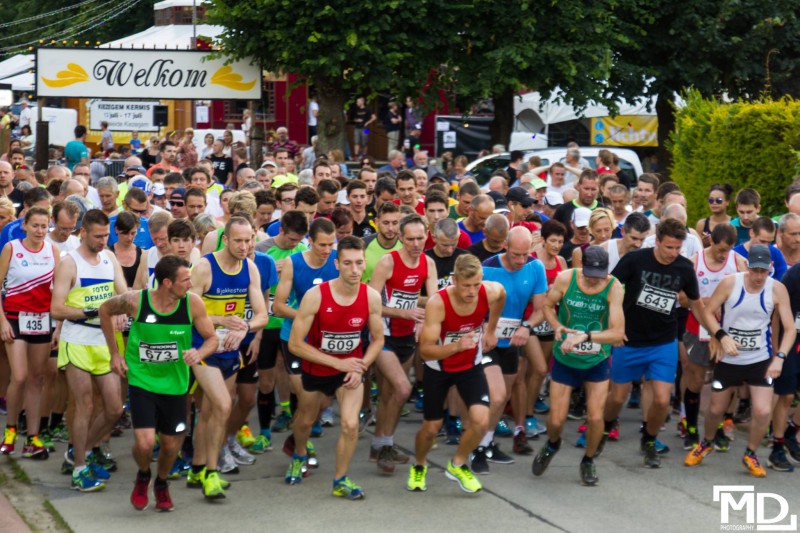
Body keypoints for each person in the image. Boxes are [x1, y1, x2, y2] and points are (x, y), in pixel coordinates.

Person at [98, 255, 217, 511]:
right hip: (142, 380)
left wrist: (200, 353)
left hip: (175, 384)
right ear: (166, 283)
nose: (190, 284)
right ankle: (143, 475)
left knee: (170, 445)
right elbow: (105, 310)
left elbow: (212, 339)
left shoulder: (192, 304)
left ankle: (161, 482)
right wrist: (114, 354)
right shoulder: (135, 301)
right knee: (144, 443)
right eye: (185, 280)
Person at [684, 245, 795, 477]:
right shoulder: (730, 283)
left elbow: (790, 328)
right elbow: (707, 312)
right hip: (729, 359)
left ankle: (751, 453)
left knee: (763, 411)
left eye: (763, 271)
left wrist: (780, 358)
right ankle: (707, 442)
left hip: (760, 359)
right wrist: (720, 337)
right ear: (748, 266)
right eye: (754, 270)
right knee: (715, 409)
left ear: (770, 270)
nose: (757, 276)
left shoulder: (777, 289)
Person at [286, 237, 384, 498]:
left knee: (351, 425)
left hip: (350, 371)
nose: (354, 269)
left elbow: (378, 339)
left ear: (365, 264)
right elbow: (295, 344)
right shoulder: (316, 296)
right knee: (305, 420)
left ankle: (340, 479)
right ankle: (298, 453)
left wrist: (360, 366)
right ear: (337, 264)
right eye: (348, 263)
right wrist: (338, 362)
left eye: (359, 263)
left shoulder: (371, 297)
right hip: (317, 367)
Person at [602, 218, 705, 468]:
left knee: (661, 399)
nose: (673, 253)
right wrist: (612, 325)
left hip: (663, 341)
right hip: (630, 339)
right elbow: (610, 288)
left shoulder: (683, 268)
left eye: (678, 248)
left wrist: (718, 332)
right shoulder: (635, 260)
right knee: (617, 398)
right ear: (657, 241)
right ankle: (603, 427)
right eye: (669, 247)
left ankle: (649, 438)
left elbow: (696, 304)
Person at [408, 254, 505, 493]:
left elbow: (501, 295)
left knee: (481, 421)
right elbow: (426, 352)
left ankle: (458, 463)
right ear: (454, 280)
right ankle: (419, 465)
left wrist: (490, 329)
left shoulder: (490, 291)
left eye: (476, 285)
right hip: (439, 368)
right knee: (432, 427)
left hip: (470, 365)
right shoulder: (438, 303)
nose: (472, 291)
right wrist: (456, 346)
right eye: (466, 286)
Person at [187, 216, 268, 499]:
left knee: (209, 413)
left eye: (249, 240)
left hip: (230, 351)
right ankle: (211, 474)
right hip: (203, 349)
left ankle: (197, 468)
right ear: (226, 239)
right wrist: (221, 319)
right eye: (239, 241)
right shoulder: (205, 267)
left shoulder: (251, 269)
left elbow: (262, 315)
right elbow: (186, 312)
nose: (244, 246)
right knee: (223, 405)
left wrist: (245, 326)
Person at [533, 246, 625, 485]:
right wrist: (557, 326)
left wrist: (586, 336)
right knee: (555, 420)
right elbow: (546, 306)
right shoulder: (566, 279)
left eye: (600, 275)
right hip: (565, 358)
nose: (595, 280)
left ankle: (588, 460)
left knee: (595, 418)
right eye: (591, 274)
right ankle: (553, 444)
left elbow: (618, 333)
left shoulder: (613, 286)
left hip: (596, 359)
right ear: (582, 266)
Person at [51, 209, 128, 491]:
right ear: (83, 232)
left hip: (106, 344)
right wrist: (91, 311)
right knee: (83, 405)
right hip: (78, 342)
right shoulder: (69, 263)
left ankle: (81, 449)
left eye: (106, 235)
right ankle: (80, 468)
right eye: (98, 236)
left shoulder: (109, 258)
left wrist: (122, 308)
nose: (103, 241)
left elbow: (124, 293)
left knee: (113, 408)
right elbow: (56, 308)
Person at [471, 227, 547, 472]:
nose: (520, 260)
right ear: (505, 245)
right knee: (498, 394)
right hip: (487, 340)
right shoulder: (488, 267)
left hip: (512, 341)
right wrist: (486, 329)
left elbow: (540, 310)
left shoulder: (535, 268)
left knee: (501, 397)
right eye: (516, 254)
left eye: (525, 254)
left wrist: (526, 327)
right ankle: (476, 448)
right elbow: (473, 305)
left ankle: (487, 443)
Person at [368, 214, 437, 473]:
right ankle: (385, 445)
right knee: (402, 388)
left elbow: (432, 300)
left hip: (407, 336)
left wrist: (423, 321)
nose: (416, 244)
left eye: (420, 238)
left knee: (390, 395)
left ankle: (380, 444)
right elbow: (372, 305)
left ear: (427, 235)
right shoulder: (388, 263)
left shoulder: (428, 263)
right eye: (410, 239)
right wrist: (403, 313)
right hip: (383, 336)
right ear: (400, 238)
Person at [272, 218, 339, 465]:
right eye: (321, 244)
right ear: (309, 241)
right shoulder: (294, 263)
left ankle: (297, 437)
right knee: (308, 399)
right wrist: (308, 316)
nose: (326, 250)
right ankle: (300, 453)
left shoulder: (337, 262)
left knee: (321, 402)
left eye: (331, 244)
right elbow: (278, 307)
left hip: (325, 342)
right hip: (295, 339)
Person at [0, 207, 58, 459]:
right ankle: (11, 430)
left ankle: (33, 437)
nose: (39, 231)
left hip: (42, 319)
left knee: (37, 378)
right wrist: (1, 321)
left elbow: (59, 291)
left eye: (44, 226)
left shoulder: (52, 251)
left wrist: (59, 325)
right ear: (24, 225)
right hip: (14, 317)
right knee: (20, 376)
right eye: (35, 225)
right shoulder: (12, 248)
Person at [681, 223, 746, 451]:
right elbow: (681, 299)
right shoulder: (694, 261)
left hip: (727, 329)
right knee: (696, 379)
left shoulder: (738, 263)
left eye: (727, 250)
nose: (723, 255)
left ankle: (717, 427)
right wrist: (709, 302)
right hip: (698, 327)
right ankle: (690, 428)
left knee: (724, 381)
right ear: (711, 242)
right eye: (720, 250)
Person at [733, 216, 787, 280]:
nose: (766, 246)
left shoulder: (776, 254)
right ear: (752, 233)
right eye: (762, 241)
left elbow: (783, 282)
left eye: (769, 242)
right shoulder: (735, 254)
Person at [695, 184, 734, 248]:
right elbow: (697, 249)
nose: (714, 203)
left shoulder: (734, 224)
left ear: (727, 202)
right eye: (711, 200)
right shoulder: (702, 224)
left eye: (719, 200)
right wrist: (702, 243)